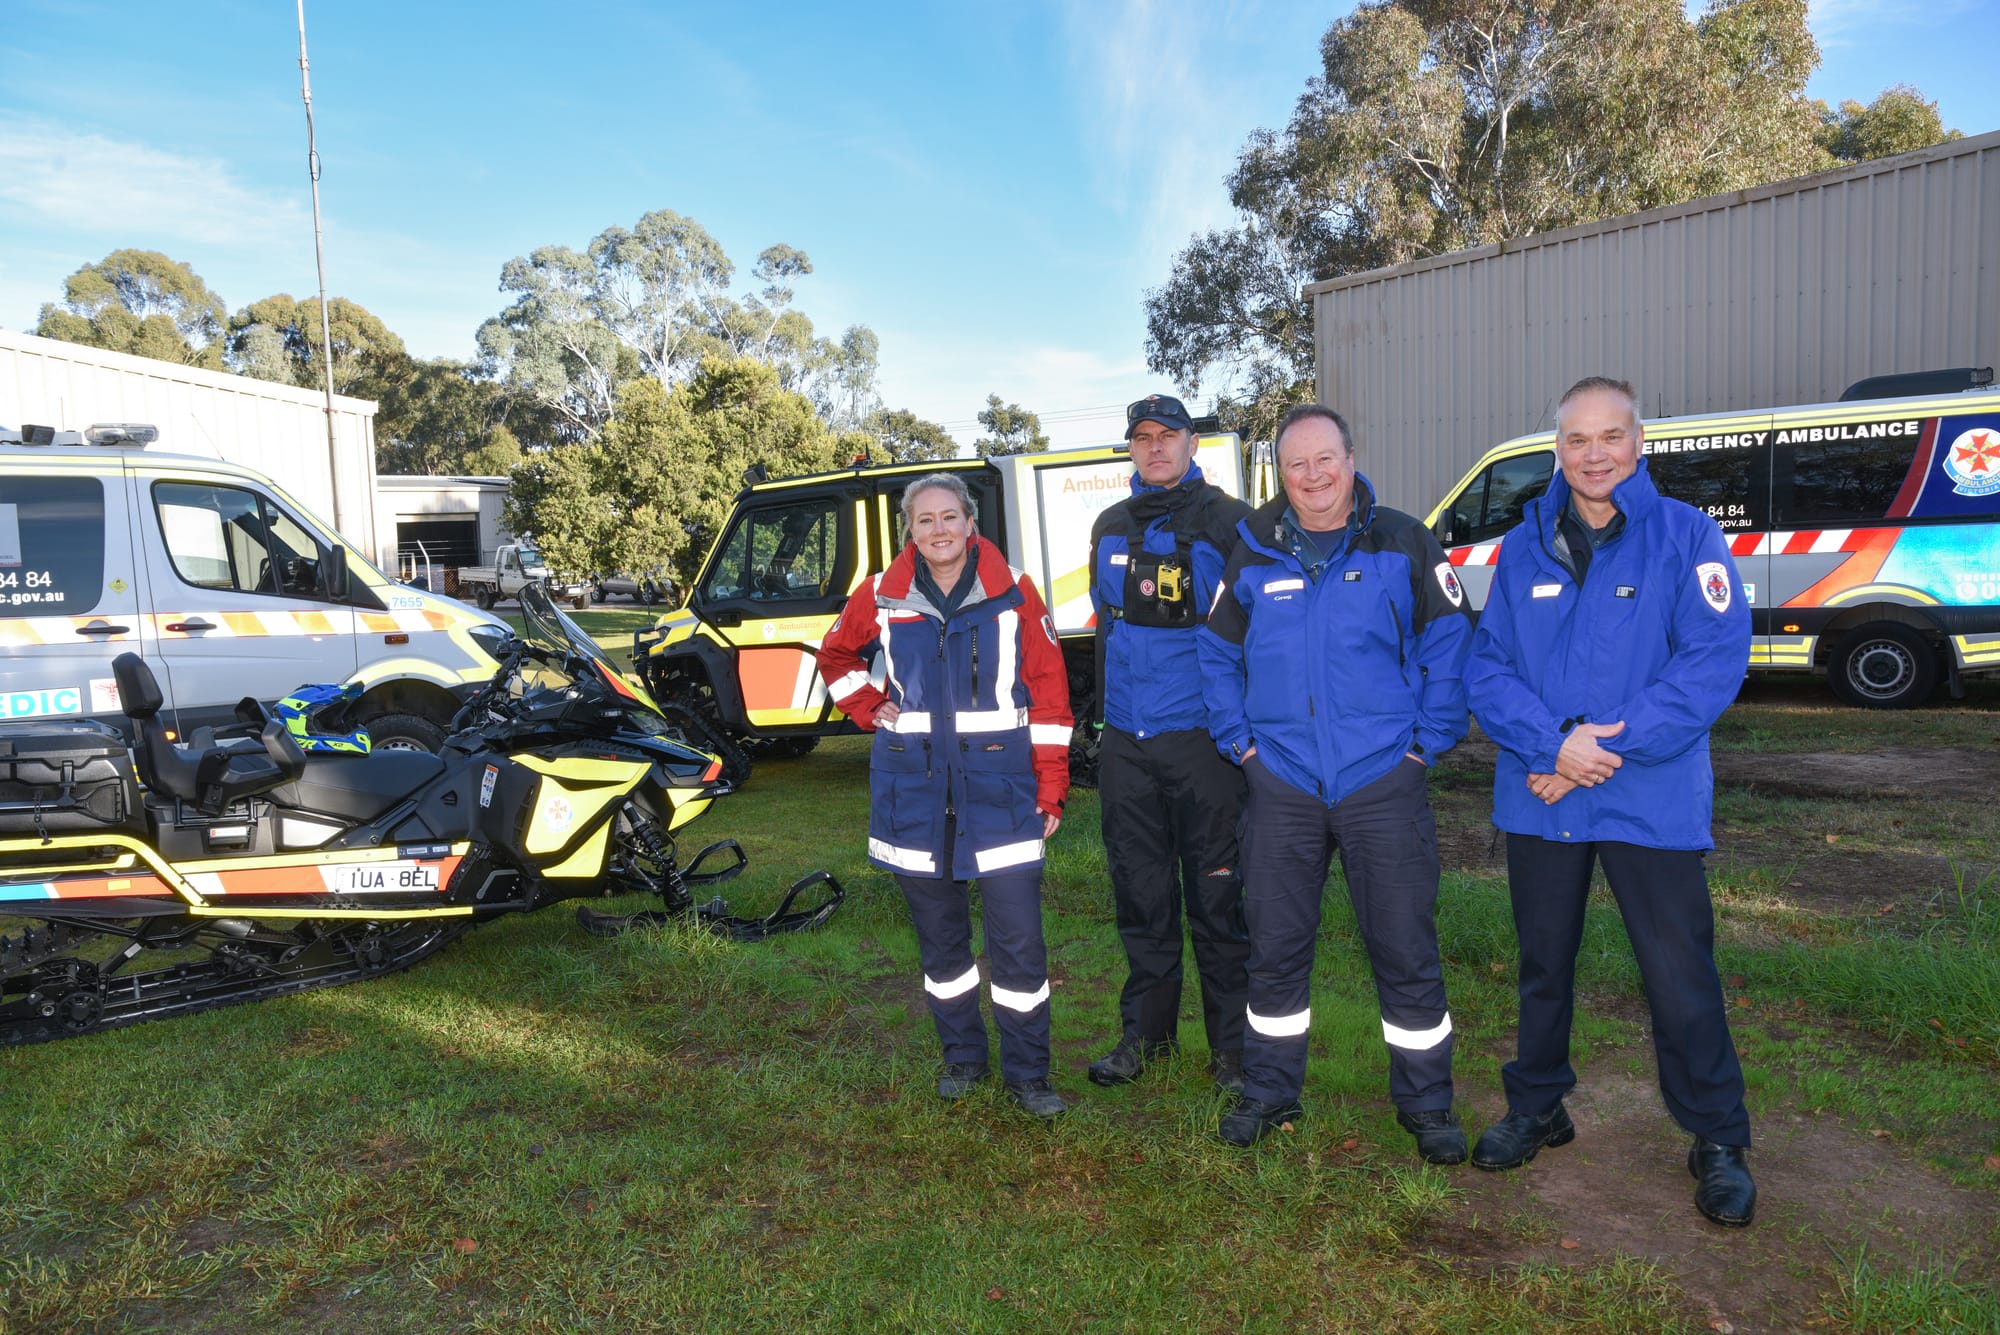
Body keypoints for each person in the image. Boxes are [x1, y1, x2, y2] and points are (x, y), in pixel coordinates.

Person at [1464, 376, 1757, 1227]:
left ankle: (1718, 1136)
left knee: (1679, 973)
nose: (1595, 455)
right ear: (1558, 449)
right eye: (1578, 440)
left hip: (1648, 798)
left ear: (1639, 443)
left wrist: (1598, 748)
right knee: (1542, 966)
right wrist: (1552, 742)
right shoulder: (1523, 547)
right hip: (1543, 790)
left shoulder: (1687, 537)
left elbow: (1709, 664)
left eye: (1611, 437)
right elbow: (1488, 667)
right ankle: (1539, 1104)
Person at [1198, 405, 1472, 1159]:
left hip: (1383, 780)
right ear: (1278, 473)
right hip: (1280, 784)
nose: (1313, 475)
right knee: (1275, 949)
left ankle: (1427, 1104)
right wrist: (1243, 749)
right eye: (1296, 465)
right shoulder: (1250, 551)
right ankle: (1268, 1091)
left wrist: (1424, 748)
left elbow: (1451, 647)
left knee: (1404, 947)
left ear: (1352, 458)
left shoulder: (1404, 542)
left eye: (1326, 459)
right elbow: (1217, 657)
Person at [816, 473, 1074, 1119]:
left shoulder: (1015, 591)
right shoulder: (880, 594)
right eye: (924, 519)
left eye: (949, 516)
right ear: (911, 529)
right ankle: (962, 1056)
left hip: (1003, 789)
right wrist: (870, 705)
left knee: (1019, 943)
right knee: (941, 944)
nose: (938, 529)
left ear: (970, 522)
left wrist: (1051, 785)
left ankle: (1028, 1072)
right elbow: (837, 656)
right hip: (915, 793)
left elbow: (1048, 691)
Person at [1085, 393, 1254, 1094]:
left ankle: (1234, 1052)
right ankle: (1146, 1036)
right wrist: (1098, 728)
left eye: (1168, 435)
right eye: (1142, 437)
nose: (1155, 447)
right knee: (1141, 894)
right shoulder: (1109, 525)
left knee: (1218, 902)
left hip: (1204, 747)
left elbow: (1254, 636)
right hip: (1128, 743)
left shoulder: (1230, 523)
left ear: (1192, 443)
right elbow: (1105, 630)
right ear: (1131, 447)